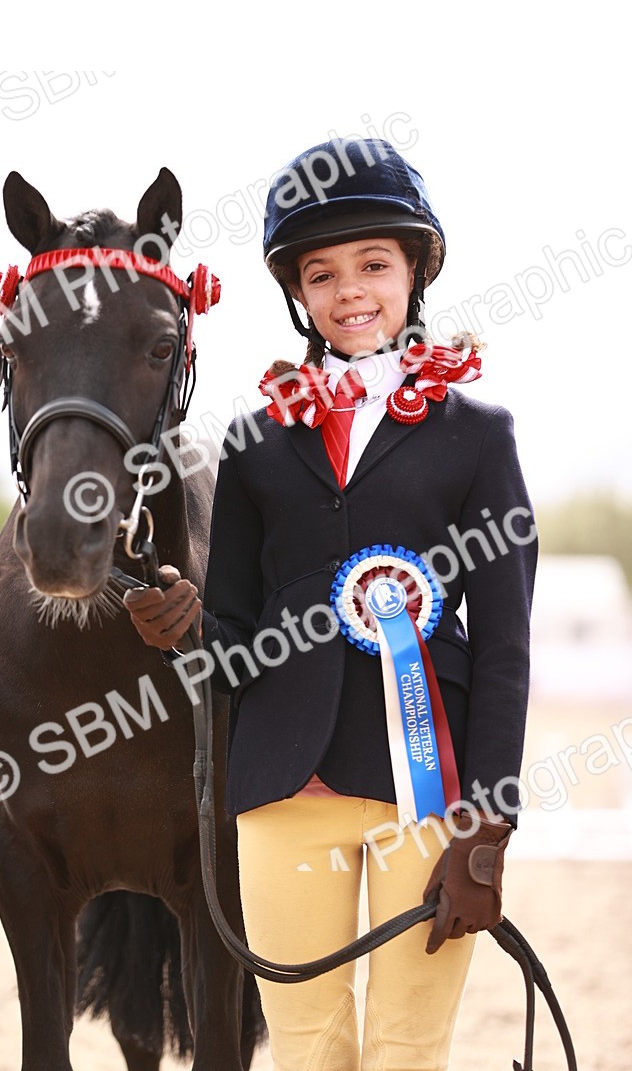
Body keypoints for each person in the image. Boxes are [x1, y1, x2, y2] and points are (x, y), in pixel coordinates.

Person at [124, 138, 537, 1071]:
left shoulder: (479, 437)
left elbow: (506, 645)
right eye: (322, 274)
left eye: (373, 265)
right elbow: (235, 642)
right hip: (283, 789)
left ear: (414, 272)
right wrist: (185, 630)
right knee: (307, 1044)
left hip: (430, 799)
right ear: (298, 294)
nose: (350, 291)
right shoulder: (255, 443)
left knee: (407, 1043)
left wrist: (488, 826)